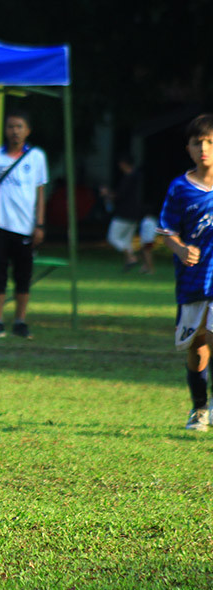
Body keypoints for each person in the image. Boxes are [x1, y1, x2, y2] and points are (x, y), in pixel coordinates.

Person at [156, 113, 213, 431]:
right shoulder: (180, 188)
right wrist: (179, 249)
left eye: (210, 142)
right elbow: (167, 231)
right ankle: (199, 407)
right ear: (188, 148)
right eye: (197, 143)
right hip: (192, 281)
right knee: (197, 348)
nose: (204, 148)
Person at [0, 109, 48, 339]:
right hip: (0, 226)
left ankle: (20, 321)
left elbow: (40, 192)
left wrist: (40, 224)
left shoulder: (36, 157)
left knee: (23, 276)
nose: (15, 131)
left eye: (19, 127)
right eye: (11, 126)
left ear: (28, 130)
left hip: (26, 227)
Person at [105, 153, 153, 273]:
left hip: (123, 213)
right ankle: (130, 261)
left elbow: (120, 195)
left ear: (123, 164)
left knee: (113, 238)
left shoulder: (129, 178)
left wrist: (107, 194)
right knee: (126, 240)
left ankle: (131, 257)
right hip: (135, 214)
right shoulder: (139, 178)